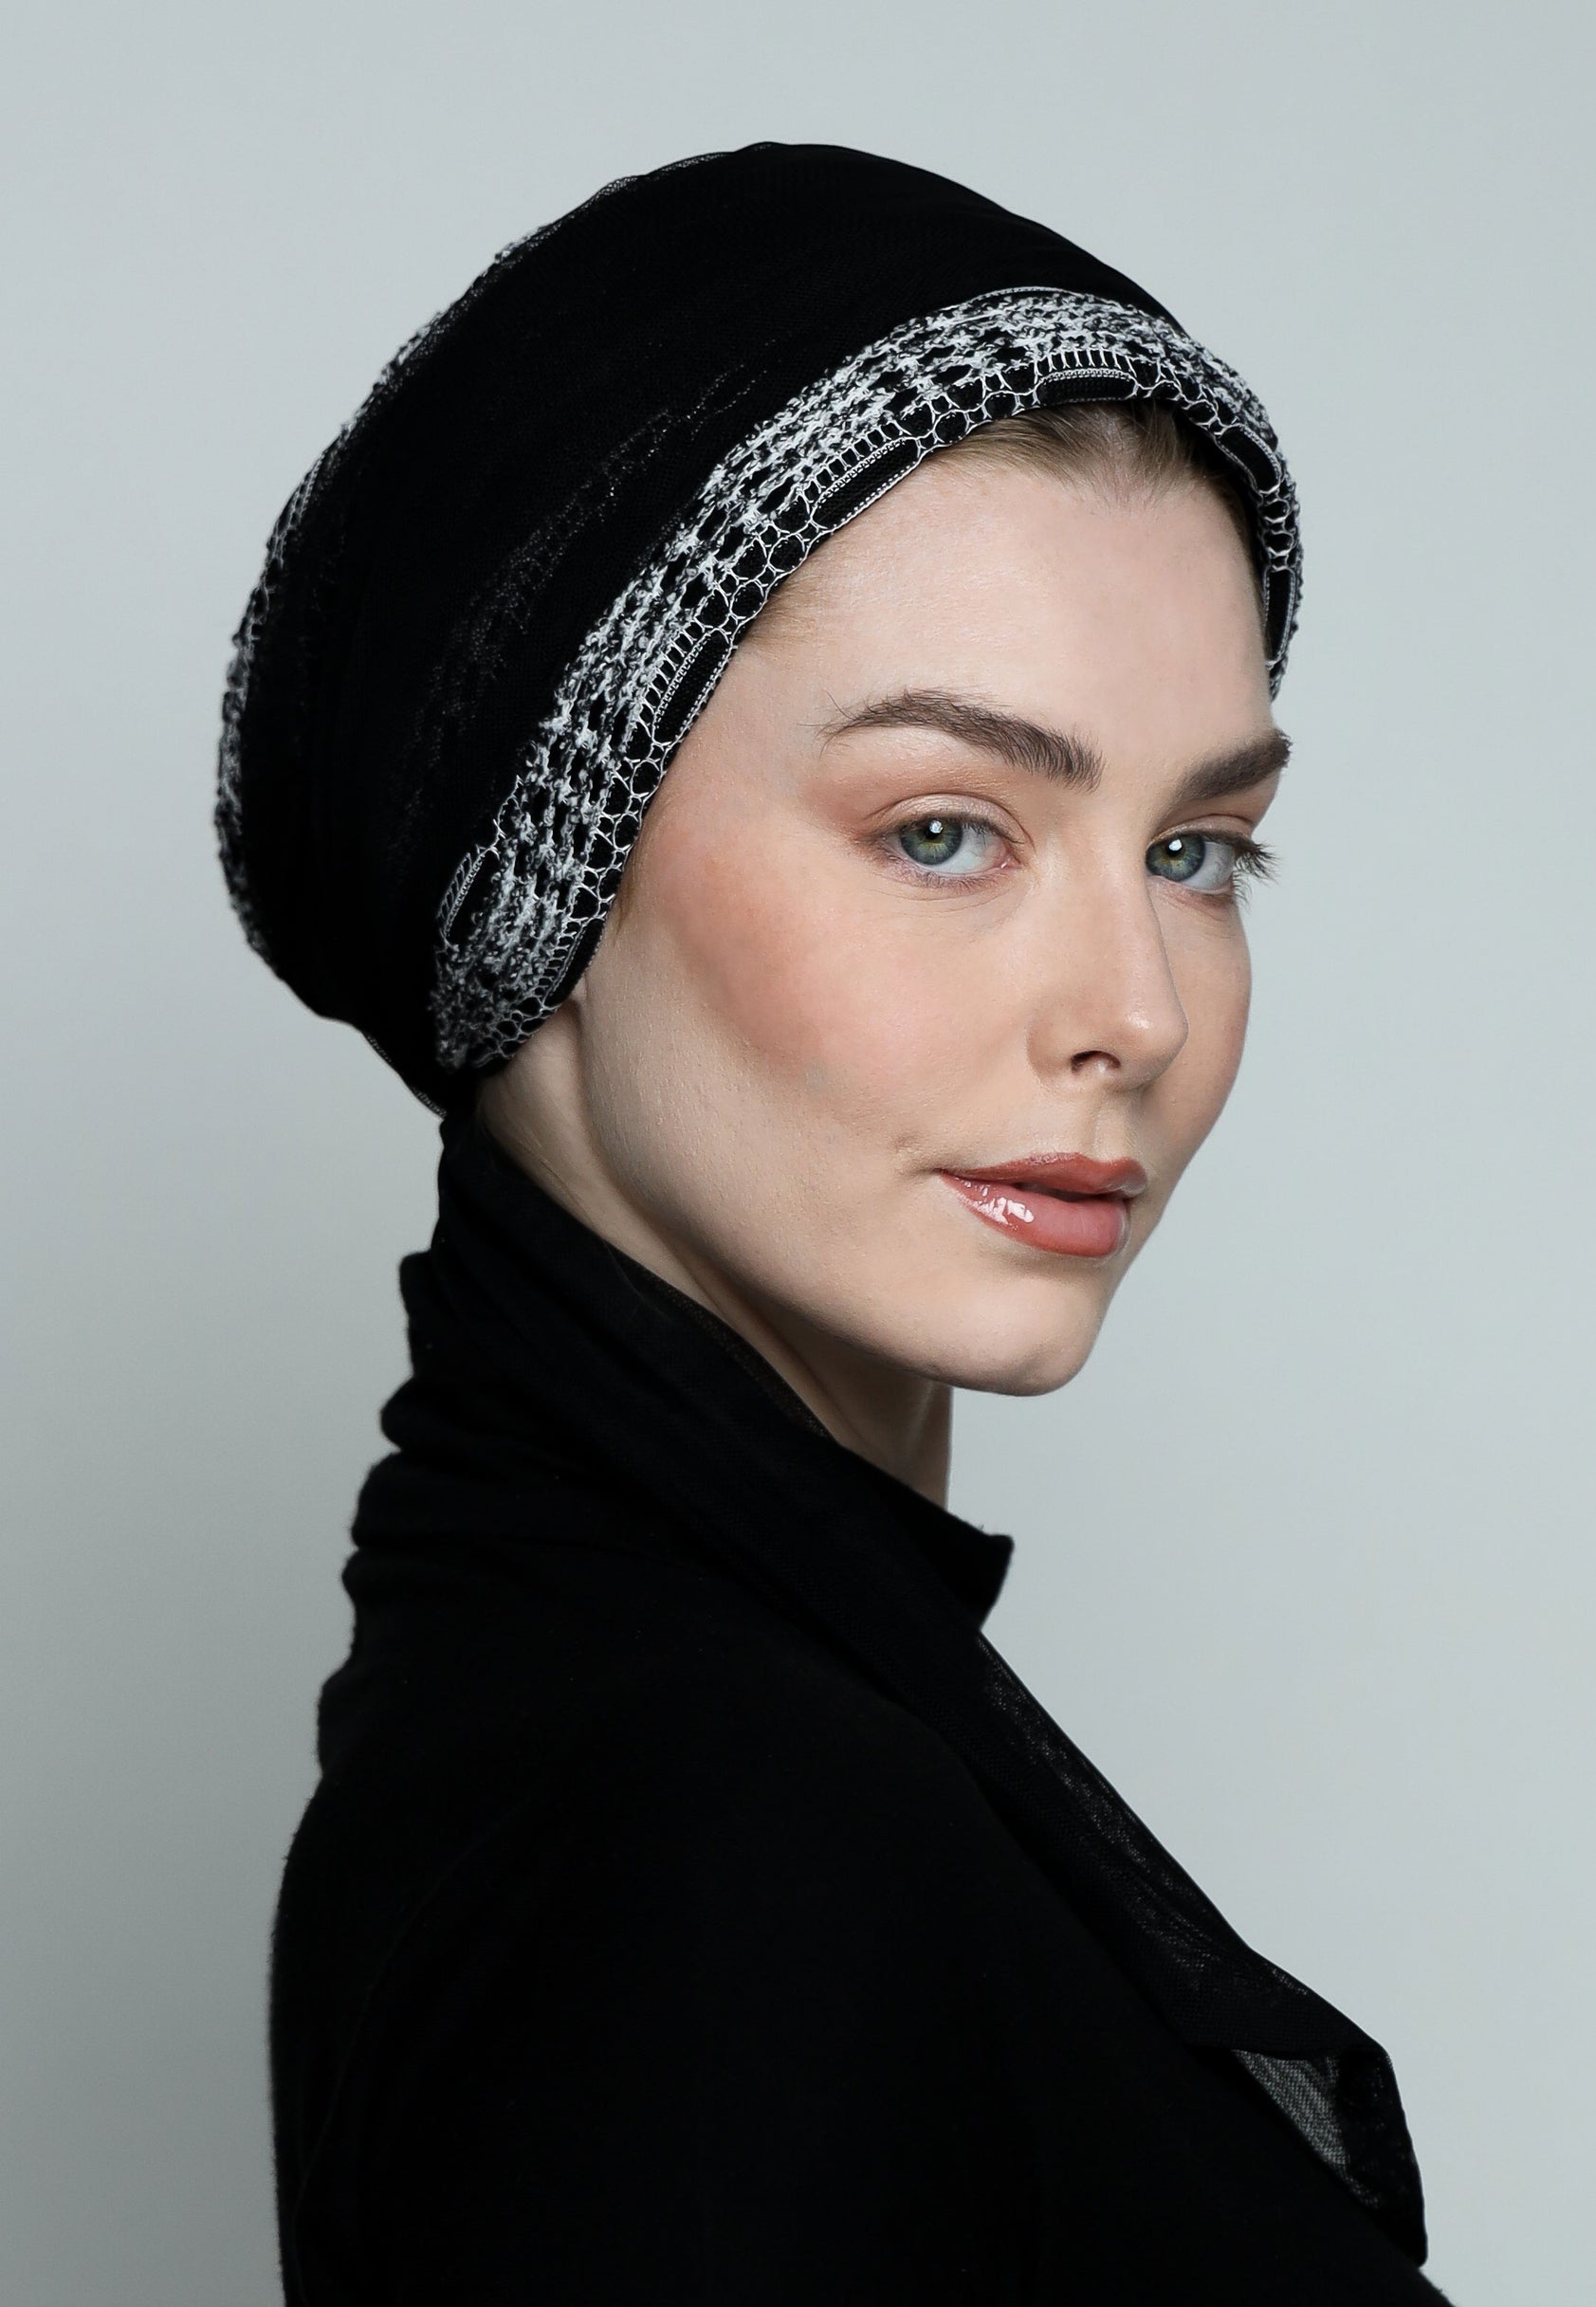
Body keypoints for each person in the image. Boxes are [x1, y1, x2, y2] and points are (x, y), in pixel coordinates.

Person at [222, 143, 1444, 2302]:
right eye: (946, 830)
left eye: (1195, 851)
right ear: (550, 872)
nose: (1137, 1013)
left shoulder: (627, 1710)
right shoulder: (706, 1831)